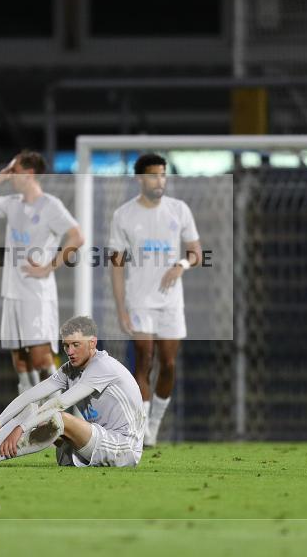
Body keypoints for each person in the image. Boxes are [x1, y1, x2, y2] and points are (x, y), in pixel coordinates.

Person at [0, 315, 146, 468]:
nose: (70, 351)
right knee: (32, 410)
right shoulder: (70, 369)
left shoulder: (103, 367)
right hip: (98, 440)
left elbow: (59, 404)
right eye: (66, 345)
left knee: (58, 418)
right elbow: (30, 395)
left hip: (124, 447)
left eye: (76, 345)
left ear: (93, 343)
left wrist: (20, 429)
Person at [0, 150, 84, 395]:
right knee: (20, 362)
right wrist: (2, 174)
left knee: (41, 359)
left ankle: (65, 415)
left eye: (15, 171)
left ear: (29, 174)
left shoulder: (50, 205)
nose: (11, 176)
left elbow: (77, 236)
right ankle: (32, 421)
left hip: (36, 294)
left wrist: (49, 266)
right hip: (12, 292)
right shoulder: (12, 203)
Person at [108, 153, 202, 446]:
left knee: (169, 363)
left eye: (162, 175)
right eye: (153, 175)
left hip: (170, 302)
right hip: (139, 301)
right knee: (144, 360)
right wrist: (121, 308)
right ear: (140, 178)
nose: (159, 180)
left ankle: (155, 425)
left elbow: (196, 252)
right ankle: (142, 431)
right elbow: (117, 265)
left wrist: (181, 266)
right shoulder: (123, 215)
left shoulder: (179, 210)